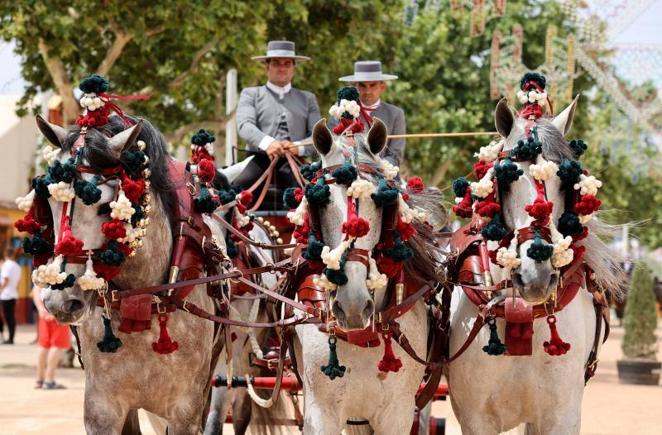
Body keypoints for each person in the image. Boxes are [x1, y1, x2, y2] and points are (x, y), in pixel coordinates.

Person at [234, 40, 321, 192]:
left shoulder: (308, 99)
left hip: (296, 161)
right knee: (234, 191)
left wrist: (298, 147)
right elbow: (244, 125)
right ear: (267, 66)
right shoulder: (251, 94)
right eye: (276, 63)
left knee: (317, 193)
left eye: (287, 63)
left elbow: (317, 136)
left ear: (294, 67)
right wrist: (268, 143)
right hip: (259, 159)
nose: (282, 68)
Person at [333, 60, 406, 167]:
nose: (368, 91)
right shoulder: (341, 110)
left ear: (382, 87)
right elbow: (332, 145)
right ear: (355, 87)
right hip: (347, 170)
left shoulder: (395, 114)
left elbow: (396, 154)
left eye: (373, 85)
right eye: (363, 85)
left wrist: (377, 166)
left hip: (383, 174)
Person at [32, 286, 70, 389]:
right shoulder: (61, 270)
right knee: (57, 345)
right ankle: (49, 380)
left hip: (44, 312)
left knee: (44, 345)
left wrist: (40, 309)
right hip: (59, 312)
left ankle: (39, 379)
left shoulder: (41, 271)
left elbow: (36, 290)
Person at [0, 247, 20, 345]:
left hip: (6, 295)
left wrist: (1, 290)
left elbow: (6, 279)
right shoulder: (17, 266)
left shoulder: (6, 265)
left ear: (5, 255)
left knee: (7, 317)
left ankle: (9, 339)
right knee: (11, 317)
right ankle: (11, 337)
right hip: (13, 294)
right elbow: (18, 282)